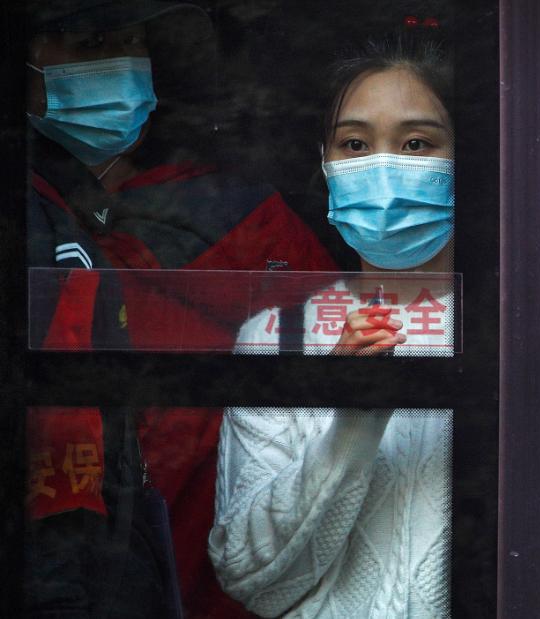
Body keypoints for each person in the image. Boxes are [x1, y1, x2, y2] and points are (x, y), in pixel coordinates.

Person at [24, 2, 337, 617]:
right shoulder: (29, 214)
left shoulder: (246, 218)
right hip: (82, 563)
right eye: (89, 43)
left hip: (232, 566)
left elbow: (335, 383)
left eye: (132, 41)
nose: (116, 62)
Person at [209, 32, 456, 618]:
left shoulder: (523, 332)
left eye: (417, 143)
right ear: (325, 164)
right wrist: (353, 418)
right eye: (354, 143)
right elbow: (248, 575)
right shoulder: (277, 335)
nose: (384, 167)